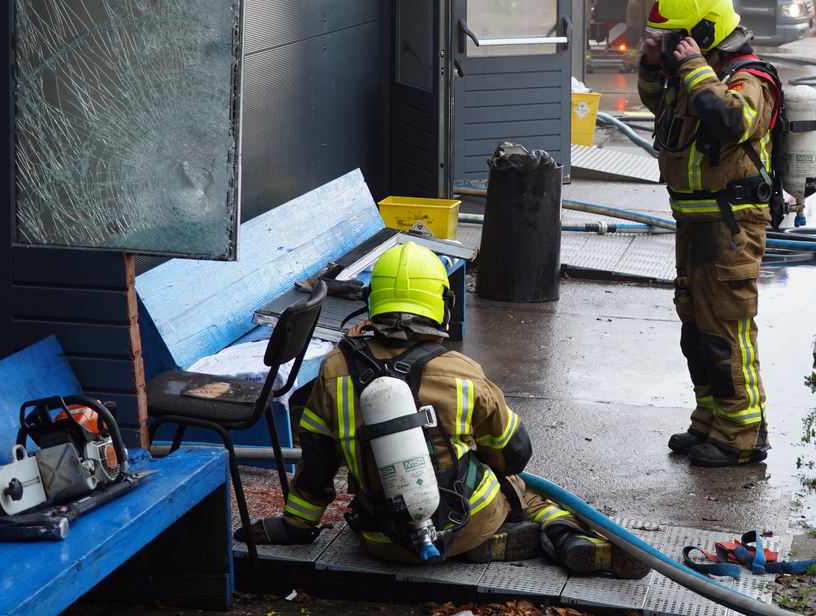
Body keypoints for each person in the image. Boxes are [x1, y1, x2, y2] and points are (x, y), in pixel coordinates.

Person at [239, 242, 647, 578]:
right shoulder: (461, 372)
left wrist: (294, 526)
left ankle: (485, 544)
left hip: (380, 541)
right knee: (526, 490)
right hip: (465, 523)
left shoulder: (333, 370)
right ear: (441, 303)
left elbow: (316, 465)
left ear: (371, 300)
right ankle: (562, 536)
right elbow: (513, 454)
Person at [637, 0, 776, 468]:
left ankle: (742, 437)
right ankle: (710, 422)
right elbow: (660, 104)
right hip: (694, 223)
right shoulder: (695, 77)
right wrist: (654, 63)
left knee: (726, 330)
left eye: (677, 37)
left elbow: (729, 120)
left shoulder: (749, 78)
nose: (674, 47)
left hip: (731, 225)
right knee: (695, 329)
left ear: (703, 31)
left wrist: (691, 65)